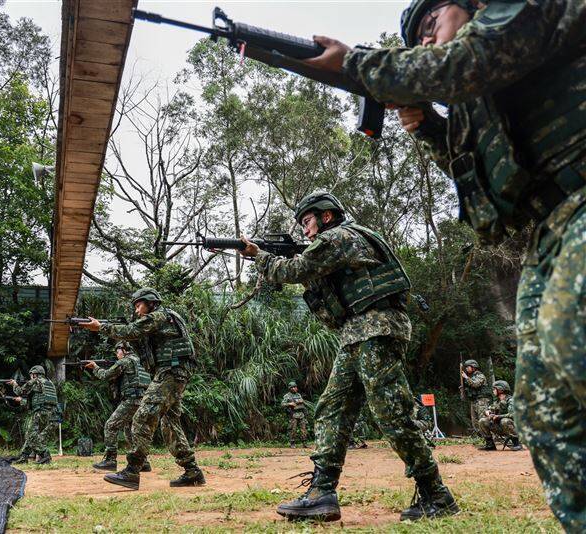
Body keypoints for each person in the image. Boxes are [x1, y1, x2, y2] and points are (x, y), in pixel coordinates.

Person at [300, 1, 585, 529]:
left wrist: (355, 65)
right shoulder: (485, 95)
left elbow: (468, 60)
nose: (427, 45)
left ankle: (424, 488)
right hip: (553, 229)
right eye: (417, 43)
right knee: (543, 410)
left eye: (430, 27)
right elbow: (486, 193)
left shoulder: (513, 15)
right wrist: (429, 127)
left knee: (572, 341)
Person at [240, 192, 457, 522]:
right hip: (357, 333)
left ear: (326, 217)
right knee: (332, 409)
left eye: (308, 222)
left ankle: (436, 494)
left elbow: (297, 269)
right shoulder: (340, 240)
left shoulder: (340, 236)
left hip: (376, 328)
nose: (306, 232)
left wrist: (259, 255)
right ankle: (321, 494)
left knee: (390, 411)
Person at [81, 288, 205, 490]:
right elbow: (138, 337)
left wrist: (100, 327)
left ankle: (132, 471)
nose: (137, 311)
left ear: (150, 302)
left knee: (142, 417)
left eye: (139, 305)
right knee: (170, 423)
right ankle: (192, 471)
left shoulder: (158, 316)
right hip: (173, 372)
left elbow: (131, 331)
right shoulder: (166, 318)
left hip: (170, 372)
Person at [86, 341, 153, 472]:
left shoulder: (125, 362)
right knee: (131, 431)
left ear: (125, 350)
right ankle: (142, 461)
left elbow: (105, 375)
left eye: (118, 351)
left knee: (111, 425)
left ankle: (110, 460)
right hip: (142, 400)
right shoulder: (140, 362)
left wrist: (94, 367)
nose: (117, 354)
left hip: (131, 400)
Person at [9, 365, 59, 464]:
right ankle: (24, 457)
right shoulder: (49, 383)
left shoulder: (36, 381)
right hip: (51, 414)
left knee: (30, 435)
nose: (31, 376)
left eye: (32, 374)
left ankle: (45, 455)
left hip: (40, 412)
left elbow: (20, 391)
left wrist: (14, 384)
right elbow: (40, 397)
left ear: (35, 374)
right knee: (33, 435)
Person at [478, 380, 523, 452]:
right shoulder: (497, 401)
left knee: (504, 420)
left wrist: (498, 416)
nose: (493, 391)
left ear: (500, 390)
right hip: (501, 427)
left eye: (494, 389)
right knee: (482, 421)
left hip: (514, 427)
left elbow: (513, 415)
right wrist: (488, 412)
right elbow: (489, 409)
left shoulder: (511, 400)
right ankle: (490, 445)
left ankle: (517, 444)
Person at [460, 360, 493, 449]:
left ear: (473, 367)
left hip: (482, 400)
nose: (466, 368)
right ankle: (485, 440)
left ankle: (490, 442)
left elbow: (475, 384)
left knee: (483, 420)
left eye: (468, 367)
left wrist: (466, 378)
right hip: (474, 401)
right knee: (475, 422)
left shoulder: (480, 375)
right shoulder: (471, 377)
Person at [281, 381, 309, 448]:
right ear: (290, 388)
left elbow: (302, 402)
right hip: (293, 414)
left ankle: (304, 443)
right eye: (293, 387)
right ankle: (292, 443)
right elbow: (282, 404)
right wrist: (289, 404)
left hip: (301, 414)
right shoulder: (287, 396)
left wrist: (301, 401)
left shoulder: (298, 395)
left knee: (304, 429)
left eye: (295, 387)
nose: (295, 388)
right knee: (293, 429)